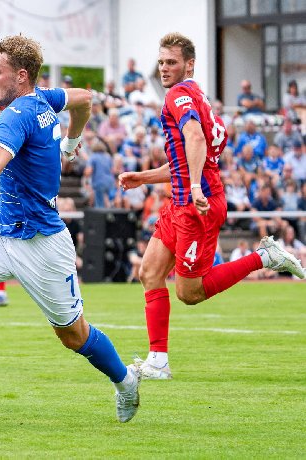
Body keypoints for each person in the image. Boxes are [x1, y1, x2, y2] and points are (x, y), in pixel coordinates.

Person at [0, 34, 141, 423]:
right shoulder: (44, 99)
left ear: (20, 76)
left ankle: (125, 381)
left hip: (43, 245)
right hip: (4, 233)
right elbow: (85, 98)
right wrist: (73, 140)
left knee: (73, 335)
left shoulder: (17, 113)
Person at [118, 32, 305, 381]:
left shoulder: (179, 95)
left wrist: (191, 188)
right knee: (149, 273)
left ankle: (265, 258)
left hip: (197, 206)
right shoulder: (199, 96)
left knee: (189, 292)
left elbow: (195, 140)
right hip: (182, 201)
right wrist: (144, 177)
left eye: (171, 62)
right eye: (161, 62)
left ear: (189, 64)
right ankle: (158, 360)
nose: (164, 69)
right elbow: (188, 158)